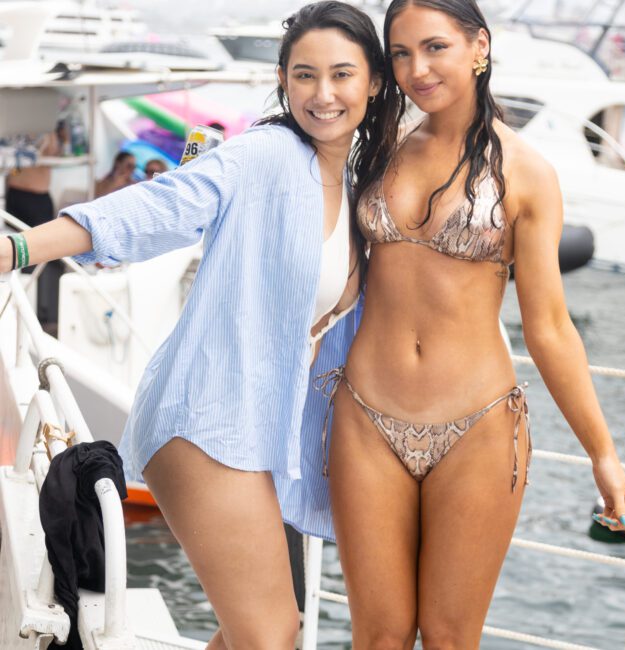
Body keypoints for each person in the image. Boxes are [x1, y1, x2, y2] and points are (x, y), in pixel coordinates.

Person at [0, 2, 384, 648]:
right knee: (269, 635)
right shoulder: (264, 156)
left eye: (342, 75)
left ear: (373, 81)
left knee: (251, 633)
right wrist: (17, 250)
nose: (323, 94)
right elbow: (159, 207)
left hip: (257, 429)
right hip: (202, 419)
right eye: (304, 75)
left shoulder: (353, 182)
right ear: (284, 81)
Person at [322, 1, 625, 648]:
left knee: (447, 638)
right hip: (364, 416)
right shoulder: (377, 147)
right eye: (402, 53)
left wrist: (602, 454)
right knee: (377, 637)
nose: (418, 68)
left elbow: (549, 327)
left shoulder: (527, 173)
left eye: (435, 47)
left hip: (478, 427)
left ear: (479, 47)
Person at [5, 122, 67, 329]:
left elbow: (56, 155)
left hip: (35, 198)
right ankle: (16, 306)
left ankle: (36, 311)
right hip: (16, 196)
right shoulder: (13, 132)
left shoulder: (49, 134)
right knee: (14, 253)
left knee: (37, 255)